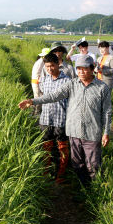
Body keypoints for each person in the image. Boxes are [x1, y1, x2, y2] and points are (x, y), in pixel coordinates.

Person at [19, 56, 111, 186]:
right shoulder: (72, 84)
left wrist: (106, 132)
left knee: (93, 164)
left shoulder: (102, 88)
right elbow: (53, 96)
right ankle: (81, 186)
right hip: (74, 131)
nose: (81, 72)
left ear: (92, 69)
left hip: (92, 131)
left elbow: (107, 111)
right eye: (78, 69)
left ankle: (94, 189)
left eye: (84, 69)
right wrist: (32, 101)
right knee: (76, 162)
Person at [35, 52, 71, 184]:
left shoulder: (67, 81)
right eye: (47, 66)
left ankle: (60, 174)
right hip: (45, 119)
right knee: (46, 147)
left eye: (52, 66)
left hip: (61, 120)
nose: (50, 68)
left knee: (62, 147)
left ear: (58, 65)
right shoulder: (44, 80)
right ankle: (46, 172)